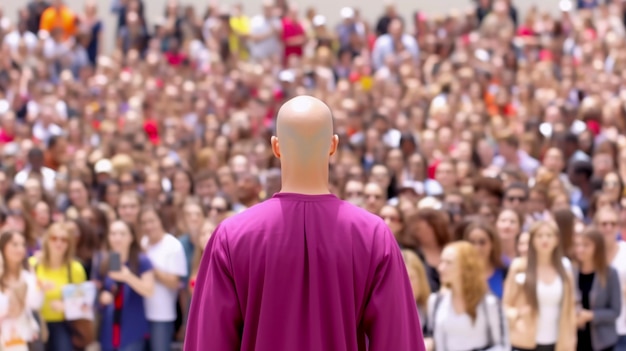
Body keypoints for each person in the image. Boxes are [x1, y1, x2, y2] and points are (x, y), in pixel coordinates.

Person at [185, 96, 424, 351]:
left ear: (276, 147)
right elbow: (398, 342)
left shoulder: (232, 236)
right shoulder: (373, 235)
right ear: (333, 145)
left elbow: (208, 342)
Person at [503, 221, 577, 351]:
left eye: (549, 235)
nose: (545, 239)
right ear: (532, 240)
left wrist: (571, 339)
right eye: (539, 235)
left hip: (557, 342)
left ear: (557, 240)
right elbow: (505, 306)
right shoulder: (519, 267)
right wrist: (518, 315)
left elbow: (570, 310)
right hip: (524, 341)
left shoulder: (565, 273)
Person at [573, 227, 621, 351]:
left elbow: (615, 311)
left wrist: (591, 315)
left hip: (603, 341)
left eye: (586, 245)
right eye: (578, 245)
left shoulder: (610, 274)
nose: (580, 249)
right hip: (575, 339)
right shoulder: (571, 272)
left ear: (597, 247)